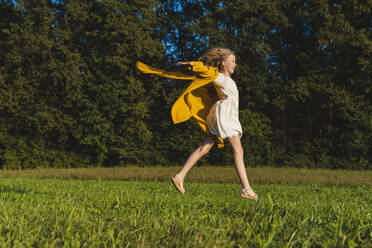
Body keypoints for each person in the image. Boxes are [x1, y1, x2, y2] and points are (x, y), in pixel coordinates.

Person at [136, 48, 257, 200]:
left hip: (223, 114)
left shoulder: (225, 79)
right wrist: (193, 65)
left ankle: (180, 176)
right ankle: (246, 189)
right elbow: (205, 70)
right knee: (238, 151)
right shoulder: (218, 76)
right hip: (226, 115)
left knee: (205, 147)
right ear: (222, 64)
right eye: (232, 61)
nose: (235, 64)